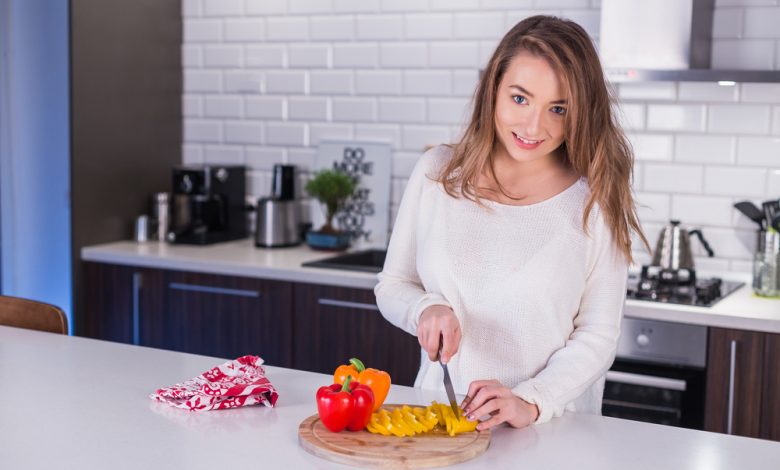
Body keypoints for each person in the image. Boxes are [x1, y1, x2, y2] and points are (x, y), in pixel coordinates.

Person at [374, 15, 648, 431]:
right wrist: (425, 308)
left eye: (558, 109)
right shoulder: (437, 174)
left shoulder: (594, 200)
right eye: (520, 99)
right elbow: (393, 284)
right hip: (440, 425)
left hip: (550, 437)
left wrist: (531, 400)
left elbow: (597, 336)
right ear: (493, 91)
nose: (534, 126)